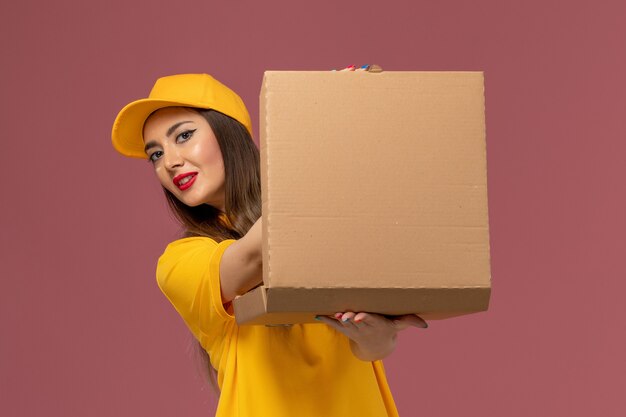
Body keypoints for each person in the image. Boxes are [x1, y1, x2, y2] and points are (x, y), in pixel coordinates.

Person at [111, 73, 428, 417]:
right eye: (155, 154)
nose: (169, 162)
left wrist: (375, 333)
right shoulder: (179, 263)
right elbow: (251, 256)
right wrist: (330, 125)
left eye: (184, 136)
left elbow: (372, 350)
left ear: (229, 134)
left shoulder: (328, 219)